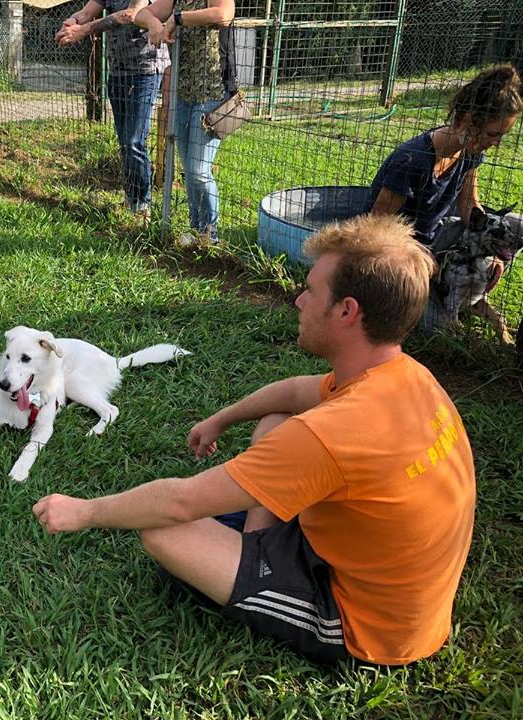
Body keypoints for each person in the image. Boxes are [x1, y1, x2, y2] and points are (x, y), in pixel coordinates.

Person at [33, 214, 476, 666]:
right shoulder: (405, 377)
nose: (299, 299)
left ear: (347, 311)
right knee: (274, 421)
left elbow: (181, 502)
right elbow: (293, 392)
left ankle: (260, 560)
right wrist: (220, 420)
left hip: (365, 624)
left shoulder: (331, 433)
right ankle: (259, 541)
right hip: (374, 565)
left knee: (163, 533)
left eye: (311, 291)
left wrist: (83, 511)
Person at [367, 65, 522, 294]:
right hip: (393, 248)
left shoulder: (471, 151)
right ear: (468, 121)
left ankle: (463, 281)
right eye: (493, 134)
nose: (497, 143)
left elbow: (469, 205)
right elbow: (376, 227)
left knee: (518, 224)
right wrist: (420, 256)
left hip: (434, 239)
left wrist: (491, 246)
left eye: (502, 135)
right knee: (430, 319)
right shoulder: (412, 161)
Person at [55, 2, 169, 221]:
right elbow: (87, 11)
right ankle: (131, 198)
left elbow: (130, 14)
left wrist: (85, 30)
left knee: (134, 140)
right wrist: (73, 22)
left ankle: (142, 205)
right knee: (125, 141)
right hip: (117, 70)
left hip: (145, 68)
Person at [135, 0, 235, 247]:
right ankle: (197, 230)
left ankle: (211, 232)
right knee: (190, 171)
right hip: (183, 96)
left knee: (199, 171)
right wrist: (155, 24)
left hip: (211, 94)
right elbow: (141, 14)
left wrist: (177, 19)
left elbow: (223, 15)